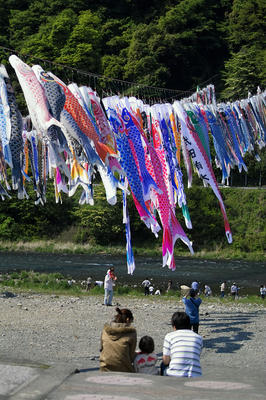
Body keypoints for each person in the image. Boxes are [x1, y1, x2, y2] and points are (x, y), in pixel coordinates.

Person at [161, 311, 203, 377]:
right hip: (195, 375)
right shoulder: (198, 338)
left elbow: (166, 361)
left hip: (174, 375)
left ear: (174, 326)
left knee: (163, 364)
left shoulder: (169, 336)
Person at [100, 307, 137, 372]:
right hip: (124, 369)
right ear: (128, 320)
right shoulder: (131, 333)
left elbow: (102, 348)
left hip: (105, 367)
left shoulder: (105, 331)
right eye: (131, 321)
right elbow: (131, 356)